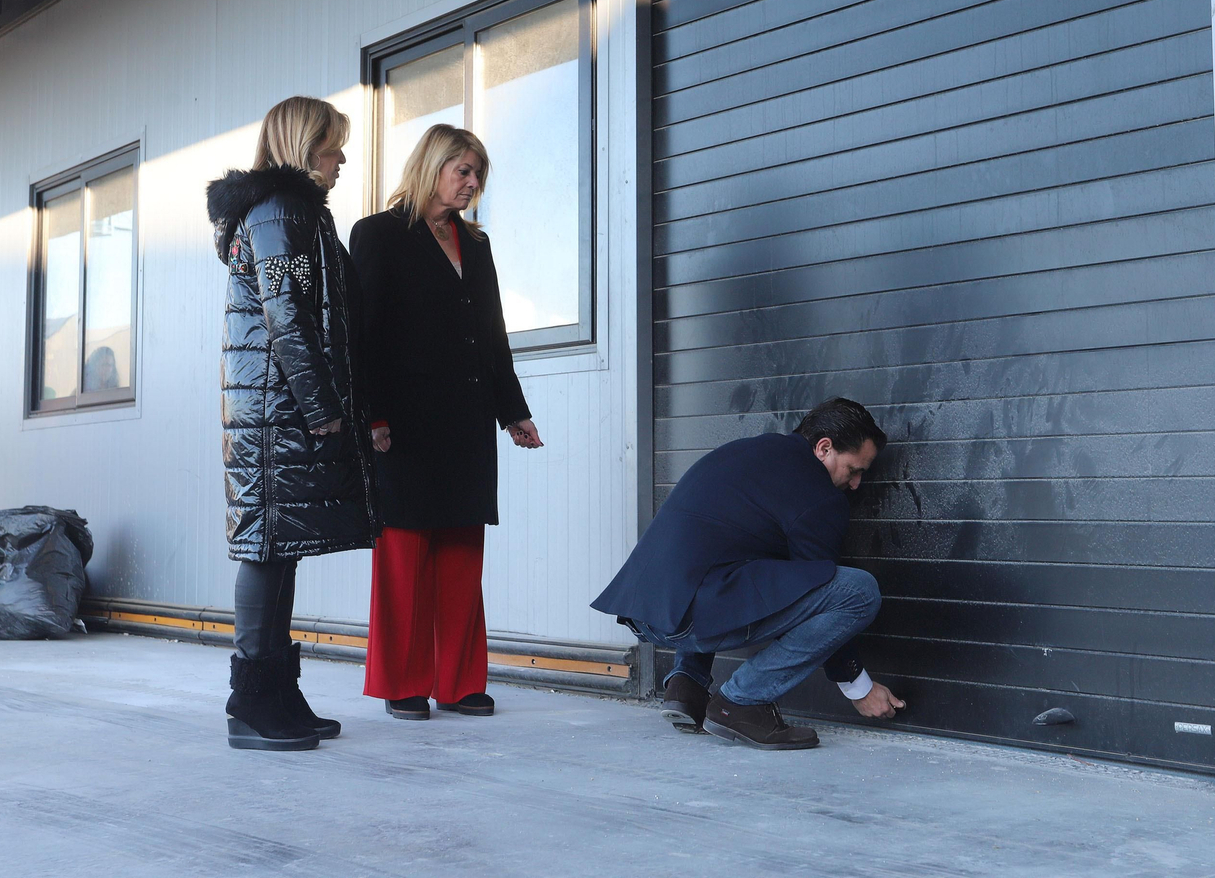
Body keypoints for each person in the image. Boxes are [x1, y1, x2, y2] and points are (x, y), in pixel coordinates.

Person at [350, 123, 544, 720]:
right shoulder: (378, 234)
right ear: (432, 166)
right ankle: (402, 683)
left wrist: (513, 412)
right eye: (463, 171)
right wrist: (373, 414)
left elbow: (492, 336)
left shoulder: (476, 244)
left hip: (464, 422)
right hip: (403, 423)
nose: (473, 183)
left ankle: (459, 682)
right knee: (405, 557)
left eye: (478, 174)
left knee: (462, 554)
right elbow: (363, 334)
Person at [205, 96, 380, 751]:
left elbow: (302, 301)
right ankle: (251, 699)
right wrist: (321, 406)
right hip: (277, 412)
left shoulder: (293, 212)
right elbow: (286, 310)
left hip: (276, 406)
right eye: (334, 146)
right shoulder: (280, 212)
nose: (341, 159)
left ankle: (276, 691)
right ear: (306, 146)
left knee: (281, 549)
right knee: (266, 546)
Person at [591, 398, 906, 750]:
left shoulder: (748, 453)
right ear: (824, 448)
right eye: (854, 469)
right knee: (859, 592)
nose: (856, 484)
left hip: (644, 610)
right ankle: (742, 701)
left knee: (731, 560)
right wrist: (857, 686)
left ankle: (686, 685)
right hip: (688, 618)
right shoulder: (817, 494)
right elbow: (819, 588)